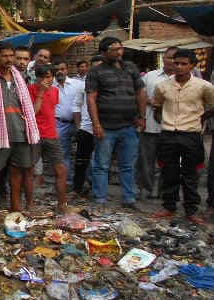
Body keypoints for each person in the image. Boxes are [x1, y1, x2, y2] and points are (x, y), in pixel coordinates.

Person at [151, 49, 214, 225]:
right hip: (168, 134)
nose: (179, 67)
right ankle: (169, 207)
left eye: (184, 64)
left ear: (192, 65)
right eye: (176, 63)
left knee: (190, 174)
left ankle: (191, 210)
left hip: (190, 134)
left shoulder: (203, 86)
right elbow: (157, 107)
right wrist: (165, 121)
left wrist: (200, 118)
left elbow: (212, 106)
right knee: (169, 172)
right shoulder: (162, 86)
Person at [86, 37, 146, 209]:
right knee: (102, 165)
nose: (119, 52)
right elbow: (91, 98)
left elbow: (140, 92)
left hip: (129, 125)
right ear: (103, 52)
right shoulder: (95, 72)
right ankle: (100, 199)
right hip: (106, 127)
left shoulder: (131, 68)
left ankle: (129, 198)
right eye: (114, 49)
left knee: (128, 165)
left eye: (120, 48)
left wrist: (142, 116)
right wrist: (96, 124)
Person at [0, 42, 40, 213]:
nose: (9, 59)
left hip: (20, 131)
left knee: (17, 170)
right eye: (4, 56)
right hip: (0, 132)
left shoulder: (19, 77)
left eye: (11, 56)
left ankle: (15, 205)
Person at [137, 47, 177, 199]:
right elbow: (139, 95)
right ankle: (146, 188)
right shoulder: (150, 76)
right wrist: (150, 102)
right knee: (146, 159)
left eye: (175, 58)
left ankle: (162, 190)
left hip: (173, 127)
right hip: (150, 124)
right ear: (163, 59)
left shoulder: (185, 78)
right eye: (169, 57)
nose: (172, 61)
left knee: (169, 160)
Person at [28, 64, 68, 212]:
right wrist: (40, 92)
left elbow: (50, 110)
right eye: (44, 77)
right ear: (37, 78)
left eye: (50, 77)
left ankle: (62, 204)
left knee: (61, 170)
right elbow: (33, 112)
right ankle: (29, 203)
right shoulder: (30, 89)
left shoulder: (55, 91)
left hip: (51, 134)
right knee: (29, 170)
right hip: (35, 135)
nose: (47, 80)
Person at [71, 55, 102, 196]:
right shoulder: (83, 84)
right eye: (94, 67)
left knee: (101, 161)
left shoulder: (110, 84)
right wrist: (78, 127)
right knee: (81, 161)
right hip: (86, 128)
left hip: (105, 128)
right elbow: (76, 105)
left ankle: (98, 191)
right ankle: (78, 189)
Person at [53, 60, 79, 185]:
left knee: (83, 153)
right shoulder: (51, 86)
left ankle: (84, 181)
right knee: (63, 154)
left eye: (62, 69)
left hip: (77, 124)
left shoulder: (77, 84)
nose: (60, 72)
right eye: (57, 69)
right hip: (59, 124)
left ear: (67, 70)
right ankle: (66, 182)